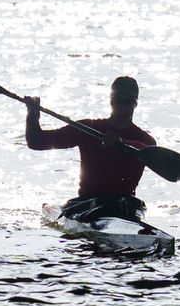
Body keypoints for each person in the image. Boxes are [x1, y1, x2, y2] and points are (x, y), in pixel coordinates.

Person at [23, 73, 157, 224]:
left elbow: (150, 154)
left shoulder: (146, 141)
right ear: (111, 101)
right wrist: (33, 115)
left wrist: (121, 142)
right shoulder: (88, 129)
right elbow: (37, 142)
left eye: (128, 102)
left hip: (125, 205)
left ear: (135, 104)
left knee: (131, 204)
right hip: (88, 204)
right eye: (118, 101)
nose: (123, 107)